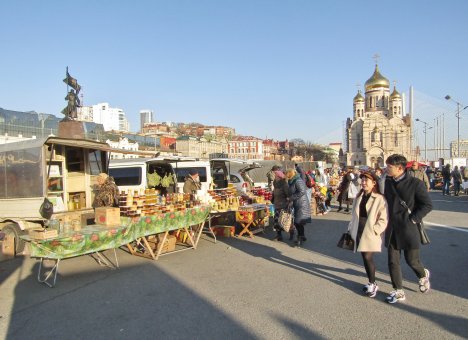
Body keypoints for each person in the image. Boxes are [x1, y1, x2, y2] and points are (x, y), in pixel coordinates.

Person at [383, 154, 433, 304]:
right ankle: (398, 290)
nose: (387, 169)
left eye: (389, 167)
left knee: (412, 261)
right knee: (393, 261)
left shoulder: (415, 183)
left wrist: (414, 218)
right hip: (392, 228)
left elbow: (427, 205)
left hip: (409, 228)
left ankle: (422, 275)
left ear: (400, 168)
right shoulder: (387, 182)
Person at [348, 172, 388, 298]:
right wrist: (350, 228)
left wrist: (376, 230)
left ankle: (373, 283)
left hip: (370, 231)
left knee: (367, 257)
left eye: (366, 181)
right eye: (362, 180)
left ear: (374, 183)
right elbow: (354, 215)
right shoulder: (359, 196)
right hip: (359, 229)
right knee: (364, 257)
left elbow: (384, 218)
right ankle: (371, 281)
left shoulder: (379, 198)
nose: (363, 183)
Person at [286, 169, 311, 247]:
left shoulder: (297, 180)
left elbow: (302, 191)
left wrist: (291, 198)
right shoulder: (293, 180)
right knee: (299, 222)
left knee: (298, 222)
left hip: (301, 204)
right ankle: (302, 236)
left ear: (290, 174)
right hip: (298, 203)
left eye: (287, 174)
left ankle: (300, 238)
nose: (286, 176)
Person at [271, 170, 292, 241]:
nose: (274, 177)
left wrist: (288, 202)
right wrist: (272, 199)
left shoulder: (284, 184)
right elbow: (274, 193)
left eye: (275, 175)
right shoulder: (275, 183)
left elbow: (289, 195)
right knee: (276, 221)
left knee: (285, 221)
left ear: (279, 177)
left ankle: (291, 233)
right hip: (276, 204)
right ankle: (279, 236)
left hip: (283, 205)